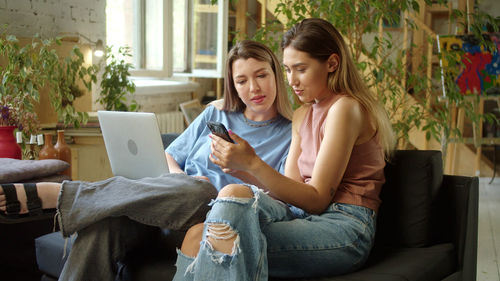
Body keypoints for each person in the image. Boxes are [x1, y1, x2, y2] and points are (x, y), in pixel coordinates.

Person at [0, 40, 293, 281]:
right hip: (168, 205)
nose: (253, 88)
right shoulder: (216, 115)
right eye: (242, 80)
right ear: (232, 84)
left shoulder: (291, 133)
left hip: (212, 217)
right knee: (105, 223)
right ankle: (79, 199)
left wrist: (241, 172)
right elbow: (169, 155)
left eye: (261, 75)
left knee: (202, 192)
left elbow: (281, 198)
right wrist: (179, 177)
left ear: (276, 74)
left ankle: (65, 195)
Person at [174, 18, 396, 281]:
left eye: (301, 69)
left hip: (344, 226)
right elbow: (290, 191)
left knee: (217, 236)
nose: (292, 81)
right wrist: (242, 168)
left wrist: (253, 163)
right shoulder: (303, 115)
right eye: (288, 70)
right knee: (210, 217)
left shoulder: (345, 108)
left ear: (332, 64)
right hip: (301, 216)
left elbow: (317, 200)